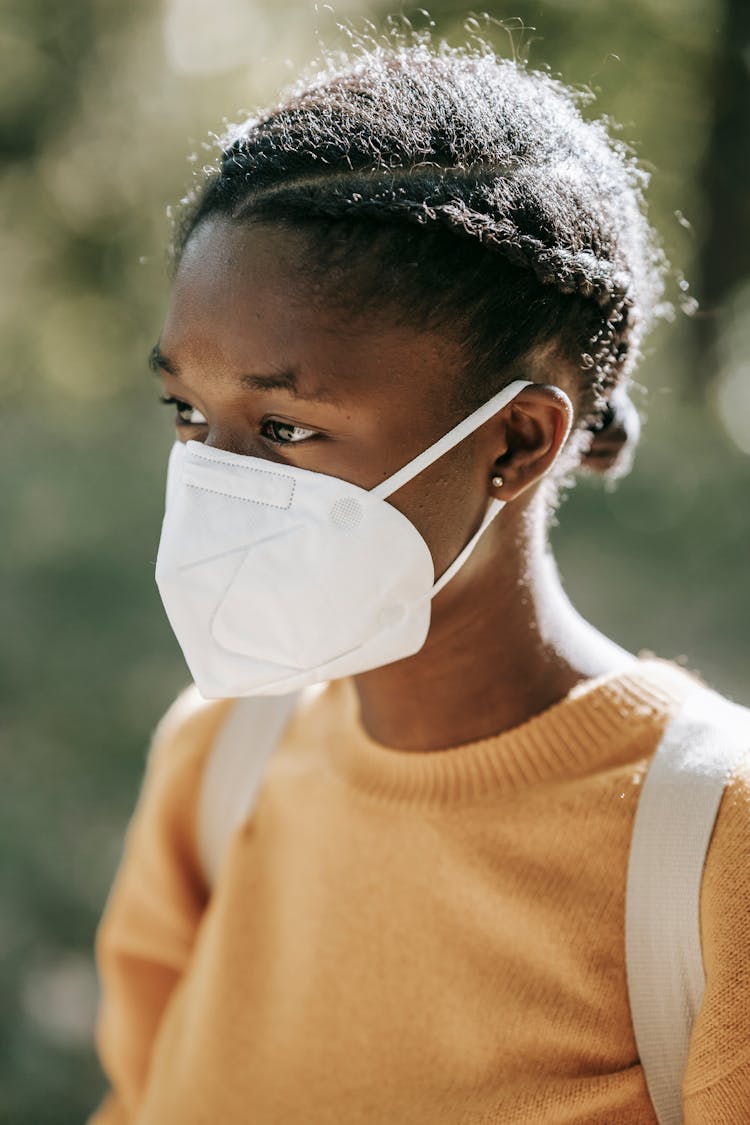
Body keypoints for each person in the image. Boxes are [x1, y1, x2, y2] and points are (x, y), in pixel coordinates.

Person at [89, 41, 750, 1124]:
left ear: (518, 442)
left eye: (286, 427)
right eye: (187, 413)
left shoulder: (715, 847)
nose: (212, 480)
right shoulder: (215, 762)